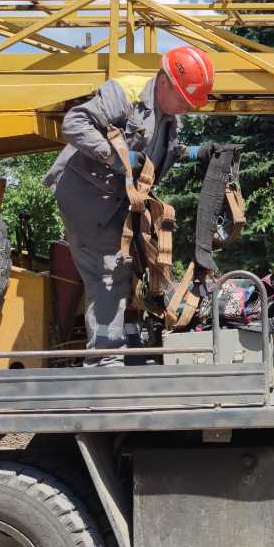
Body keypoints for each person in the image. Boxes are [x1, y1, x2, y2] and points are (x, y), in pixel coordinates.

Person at [43, 46, 214, 364]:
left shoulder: (167, 116)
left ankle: (119, 349)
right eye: (183, 101)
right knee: (109, 272)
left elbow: (161, 152)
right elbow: (74, 124)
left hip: (118, 204)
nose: (186, 110)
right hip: (87, 198)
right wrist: (114, 156)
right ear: (164, 82)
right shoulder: (127, 93)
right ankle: (105, 362)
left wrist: (196, 153)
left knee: (133, 268)